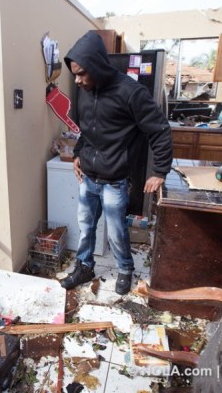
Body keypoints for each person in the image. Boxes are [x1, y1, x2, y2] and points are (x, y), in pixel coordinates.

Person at [60, 31, 173, 295]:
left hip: (115, 180)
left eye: (81, 74)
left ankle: (124, 269)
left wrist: (160, 170)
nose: (77, 81)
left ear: (97, 66)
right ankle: (84, 266)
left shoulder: (131, 92)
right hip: (88, 177)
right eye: (74, 74)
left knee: (115, 232)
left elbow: (159, 130)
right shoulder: (86, 91)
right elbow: (87, 130)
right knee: (86, 228)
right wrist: (78, 153)